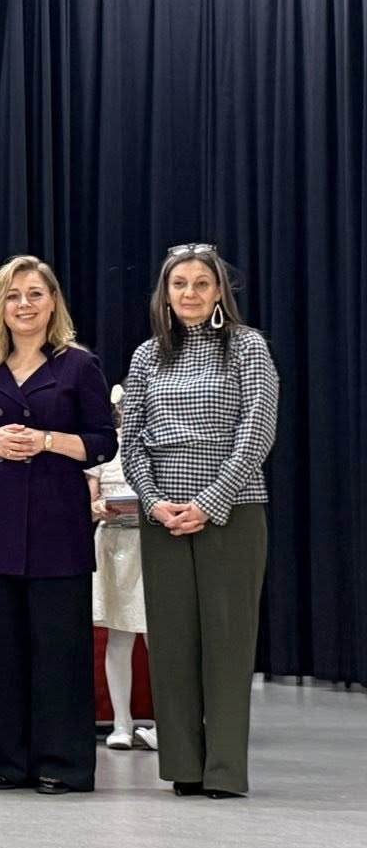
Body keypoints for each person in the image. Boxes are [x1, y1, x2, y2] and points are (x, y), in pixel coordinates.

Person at [0, 254, 117, 796]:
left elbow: (103, 442)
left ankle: (61, 763)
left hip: (57, 524)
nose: (24, 304)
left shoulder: (79, 366)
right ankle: (2, 761)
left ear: (53, 303)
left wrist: (45, 440)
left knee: (59, 650)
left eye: (35, 294)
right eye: (13, 296)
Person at [120, 244, 278, 799]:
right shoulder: (147, 355)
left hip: (233, 511)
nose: (190, 293)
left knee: (227, 642)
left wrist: (211, 501)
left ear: (218, 293)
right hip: (162, 514)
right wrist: (154, 501)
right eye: (179, 284)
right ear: (165, 294)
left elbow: (257, 430)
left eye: (201, 284)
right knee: (171, 644)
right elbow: (131, 441)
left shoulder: (247, 346)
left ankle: (225, 771)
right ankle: (184, 766)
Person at [90, 385, 155, 752]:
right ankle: (121, 722)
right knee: (119, 635)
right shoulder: (106, 447)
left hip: (152, 545)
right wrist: (99, 507)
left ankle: (169, 724)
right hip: (114, 545)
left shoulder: (159, 443)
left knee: (157, 637)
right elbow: (90, 501)